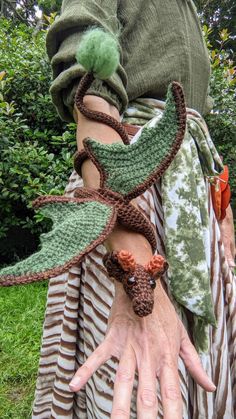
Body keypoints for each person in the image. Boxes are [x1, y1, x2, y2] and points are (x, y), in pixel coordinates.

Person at [32, 1, 236, 418]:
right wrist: (135, 270)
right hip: (130, 181)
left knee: (196, 369)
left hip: (193, 200)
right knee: (144, 380)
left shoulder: (190, 9)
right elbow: (93, 97)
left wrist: (222, 213)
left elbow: (198, 131)